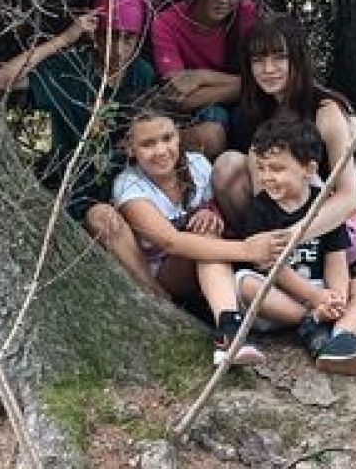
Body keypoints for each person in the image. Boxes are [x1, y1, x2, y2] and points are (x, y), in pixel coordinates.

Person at [0, 0, 159, 288]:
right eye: (111, 36)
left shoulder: (141, 74)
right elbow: (1, 81)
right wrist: (64, 39)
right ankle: (158, 297)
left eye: (129, 39)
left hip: (125, 182)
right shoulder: (68, 69)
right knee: (105, 222)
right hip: (76, 188)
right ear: (95, 34)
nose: (119, 49)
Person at [201, 117, 356, 375]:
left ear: (308, 170)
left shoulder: (325, 208)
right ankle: (309, 322)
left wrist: (337, 297)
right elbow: (273, 269)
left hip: (320, 290)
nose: (267, 177)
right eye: (262, 168)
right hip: (279, 297)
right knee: (244, 282)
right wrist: (314, 300)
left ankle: (342, 337)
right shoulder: (260, 210)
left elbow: (335, 258)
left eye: (277, 169)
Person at [112, 103, 291, 364]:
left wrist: (211, 212)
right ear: (130, 149)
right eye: (148, 144)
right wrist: (248, 250)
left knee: (206, 232)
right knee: (203, 240)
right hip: (169, 271)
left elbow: (216, 204)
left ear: (178, 136)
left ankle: (229, 324)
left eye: (167, 138)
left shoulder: (196, 163)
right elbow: (170, 242)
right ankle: (229, 330)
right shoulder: (128, 185)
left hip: (213, 263)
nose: (161, 150)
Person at [213, 12, 356, 259]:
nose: (268, 69)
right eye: (258, 60)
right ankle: (260, 249)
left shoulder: (326, 111)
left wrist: (293, 234)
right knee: (231, 165)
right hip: (278, 219)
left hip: (332, 229)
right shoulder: (258, 109)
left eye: (280, 58)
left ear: (298, 59)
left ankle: (290, 258)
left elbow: (350, 198)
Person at [151, 0, 257, 158]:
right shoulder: (167, 23)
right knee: (214, 124)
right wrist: (245, 86)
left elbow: (264, 80)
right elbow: (179, 96)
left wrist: (201, 77)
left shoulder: (245, 14)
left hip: (240, 108)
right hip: (194, 116)